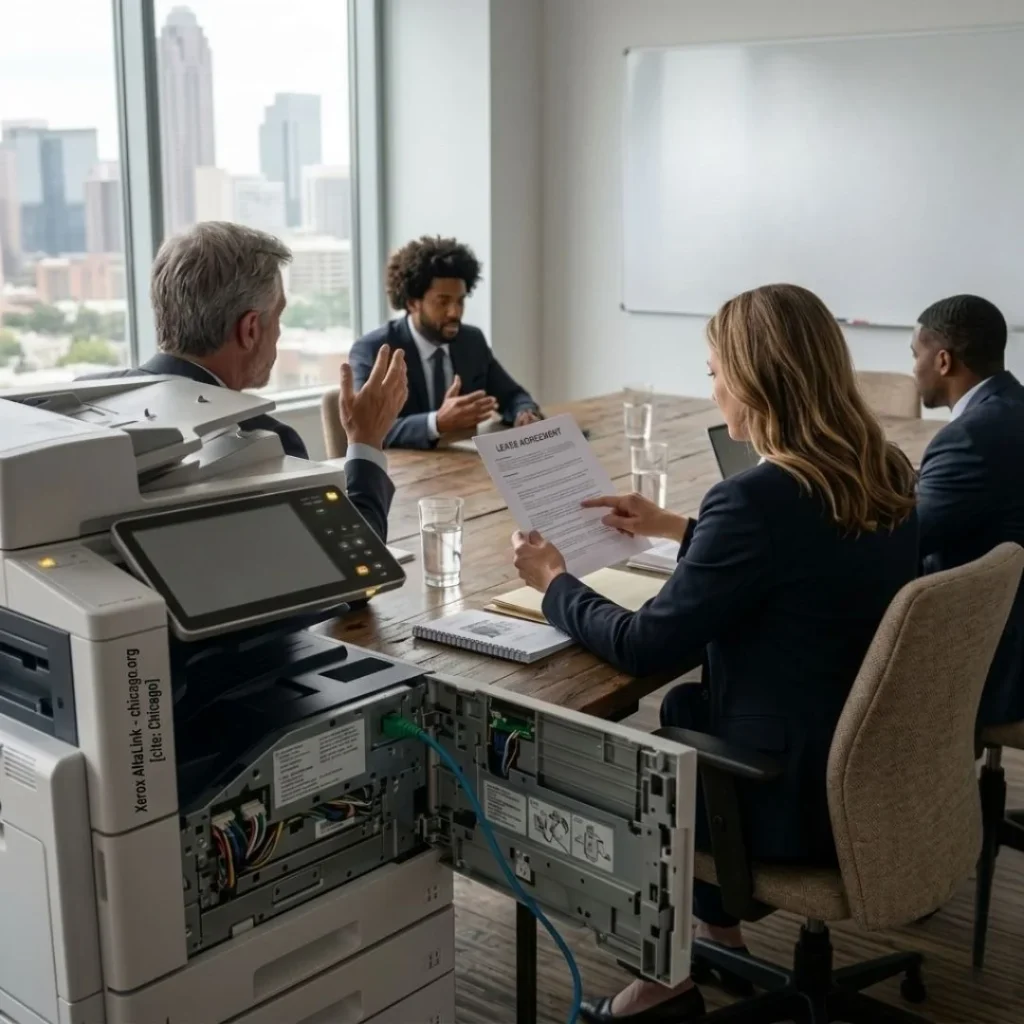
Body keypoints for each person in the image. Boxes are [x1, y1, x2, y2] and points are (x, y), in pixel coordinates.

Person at [510, 284, 919, 1023]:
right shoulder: (882, 469)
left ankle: (664, 981)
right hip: (877, 775)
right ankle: (713, 931)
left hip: (790, 799)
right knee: (688, 705)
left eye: (713, 371)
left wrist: (554, 584)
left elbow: (642, 643)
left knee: (620, 754)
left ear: (754, 381)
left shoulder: (758, 501)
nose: (713, 388)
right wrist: (676, 525)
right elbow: (801, 562)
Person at [82, 222, 407, 543]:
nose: (279, 333)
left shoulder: (82, 407)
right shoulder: (261, 442)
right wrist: (365, 440)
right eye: (278, 317)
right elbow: (354, 560)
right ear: (250, 329)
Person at [911, 294, 1024, 727]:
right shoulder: (1011, 408)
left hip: (991, 660)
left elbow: (908, 540)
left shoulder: (971, 436)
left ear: (942, 360)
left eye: (915, 355)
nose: (913, 368)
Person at [349, 235, 541, 449]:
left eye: (460, 301)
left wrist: (524, 412)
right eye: (443, 302)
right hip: (400, 474)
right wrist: (437, 422)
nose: (455, 312)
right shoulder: (375, 350)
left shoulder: (471, 341)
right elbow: (367, 428)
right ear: (413, 303)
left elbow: (512, 395)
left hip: (459, 470)